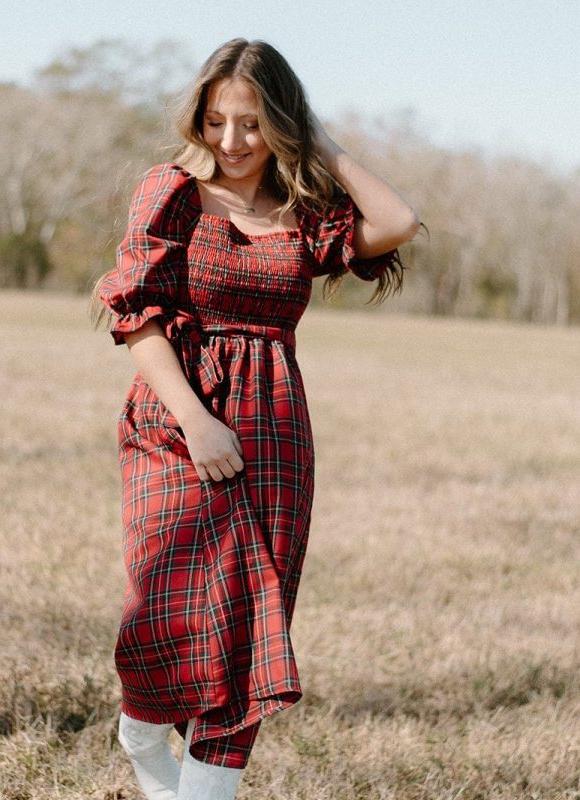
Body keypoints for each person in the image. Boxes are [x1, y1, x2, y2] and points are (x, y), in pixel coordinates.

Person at [91, 38, 420, 800]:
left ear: (281, 123)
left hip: (274, 429)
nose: (232, 143)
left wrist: (319, 140)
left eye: (252, 124)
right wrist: (198, 424)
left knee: (249, 619)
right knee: (163, 605)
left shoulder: (305, 215)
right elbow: (136, 318)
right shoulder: (168, 190)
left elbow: (398, 219)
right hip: (175, 424)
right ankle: (142, 728)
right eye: (216, 122)